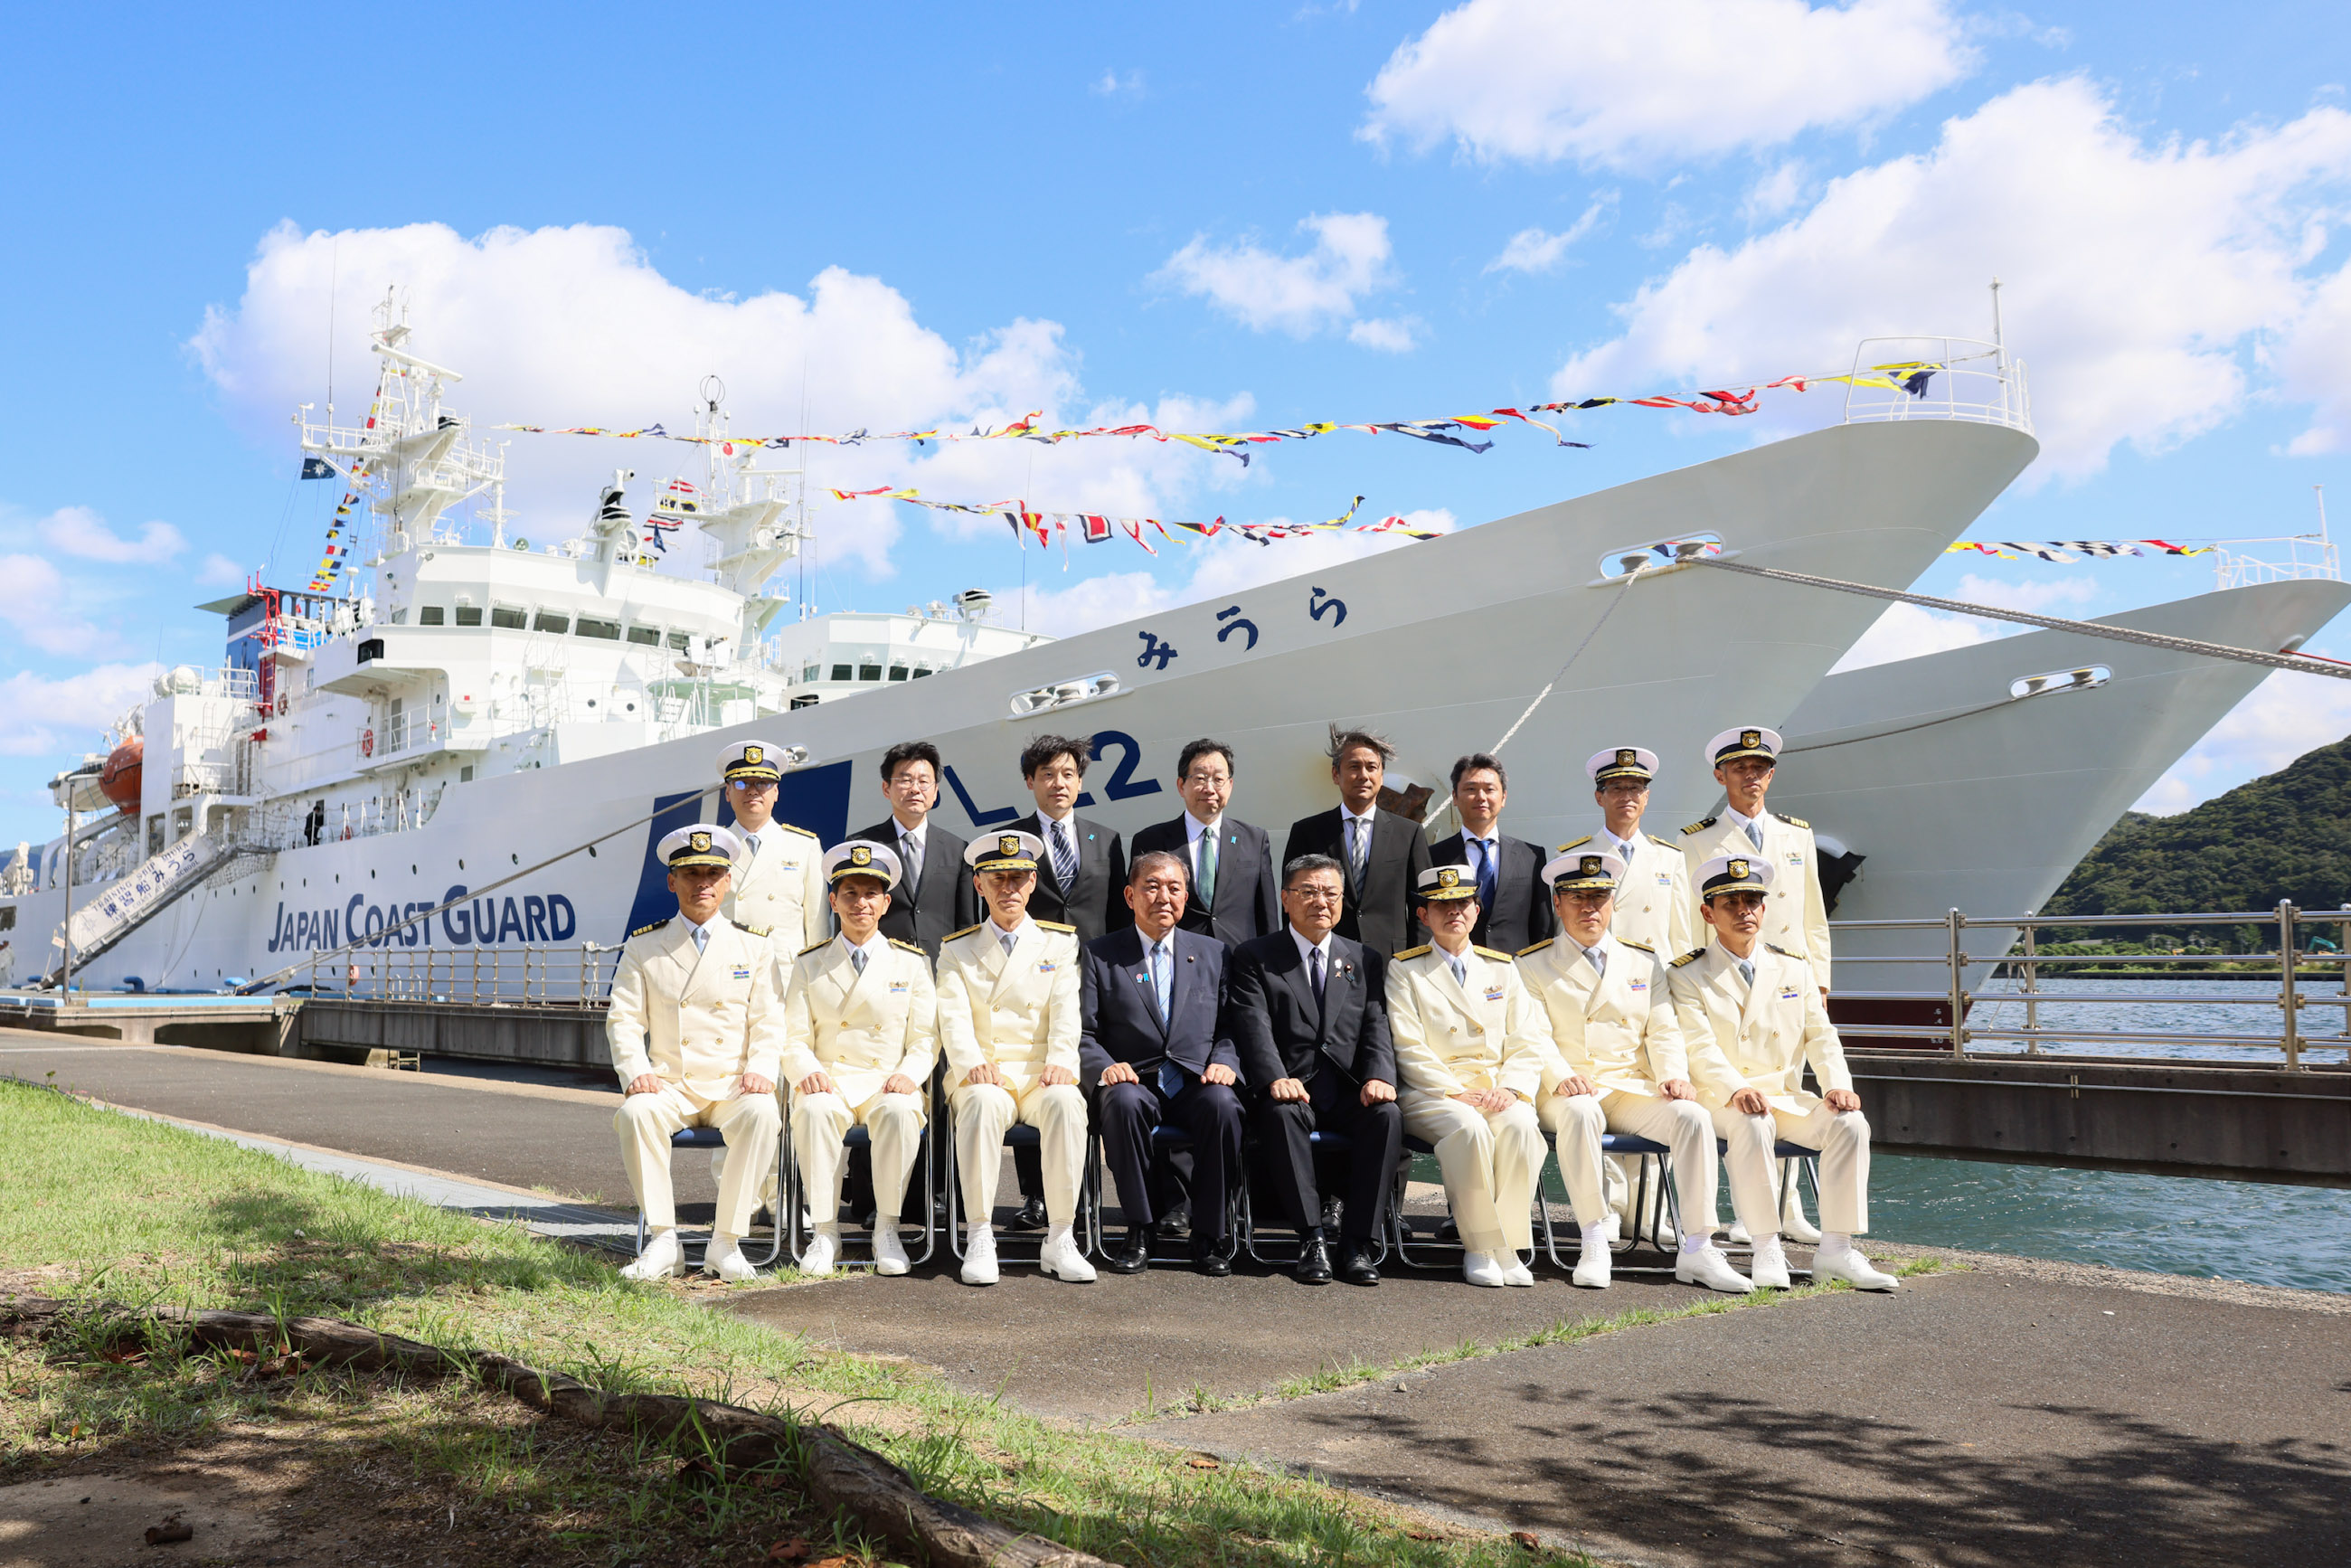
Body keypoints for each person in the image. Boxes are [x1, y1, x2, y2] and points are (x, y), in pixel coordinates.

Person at [1516, 849, 1751, 1293]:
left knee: (1692, 1115)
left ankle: (1699, 1245)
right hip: (1565, 1090)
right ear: (1557, 904)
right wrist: (1561, 1075)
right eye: (1578, 898)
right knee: (1583, 1112)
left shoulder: (1644, 962)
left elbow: (1662, 1029)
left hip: (1626, 1085)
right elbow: (1532, 1035)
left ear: (1612, 903)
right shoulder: (1531, 964)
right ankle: (1593, 1236)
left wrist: (1672, 1075)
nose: (1590, 907)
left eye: (1600, 897)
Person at [1670, 855, 1900, 1292]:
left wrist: (1836, 1085)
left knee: (1850, 1123)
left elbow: (1820, 1034)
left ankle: (1836, 1248)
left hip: (1784, 1094)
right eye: (1731, 903)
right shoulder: (1687, 974)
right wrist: (1736, 1088)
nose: (1744, 911)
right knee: (1753, 1121)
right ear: (1707, 913)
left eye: (1753, 901)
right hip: (1721, 1099)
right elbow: (1697, 1047)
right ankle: (1765, 1245)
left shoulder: (1793, 966)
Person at [607, 825, 783, 1283]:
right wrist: (635, 1071)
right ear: (672, 881)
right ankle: (664, 1240)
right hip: (671, 1081)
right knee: (635, 1114)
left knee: (764, 1113)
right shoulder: (645, 946)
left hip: (733, 1082)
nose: (702, 882)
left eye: (713, 873)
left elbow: (769, 1019)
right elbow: (624, 1019)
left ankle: (726, 1242)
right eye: (690, 873)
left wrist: (762, 1068)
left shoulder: (755, 945)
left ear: (727, 882)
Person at [1225, 855, 1402, 1286]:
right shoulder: (1256, 956)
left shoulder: (1364, 958)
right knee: (1281, 1114)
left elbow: (1376, 1023)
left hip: (1346, 1090)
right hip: (1290, 1087)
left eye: (1330, 893)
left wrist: (1380, 1075)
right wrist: (1273, 1077)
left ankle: (1359, 1242)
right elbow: (1253, 1026)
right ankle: (1311, 1238)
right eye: (1307, 891)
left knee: (1387, 1115)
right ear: (1286, 899)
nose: (1319, 901)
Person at [933, 831, 1093, 1286]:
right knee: (981, 1102)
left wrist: (1062, 1061)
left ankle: (1061, 1236)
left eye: (1018, 878)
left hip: (1041, 1069)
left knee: (1066, 1102)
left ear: (1032, 883)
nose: (1008, 888)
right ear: (979, 886)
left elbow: (1067, 1010)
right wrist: (968, 1064)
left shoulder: (1058, 944)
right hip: (986, 1069)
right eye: (997, 878)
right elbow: (953, 1017)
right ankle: (981, 1233)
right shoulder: (955, 949)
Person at [1078, 851, 1244, 1276]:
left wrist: (1225, 1060)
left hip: (1196, 1079)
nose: (1163, 897)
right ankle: (1140, 1227)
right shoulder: (1100, 955)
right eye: (1152, 887)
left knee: (1224, 1107)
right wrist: (1104, 1066)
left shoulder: (1215, 953)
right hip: (1134, 1078)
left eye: (1173, 888)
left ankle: (1209, 1234)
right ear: (1130, 896)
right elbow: (1082, 1032)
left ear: (1186, 897)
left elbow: (1231, 1026)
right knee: (1122, 1102)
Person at [1385, 864, 1552, 1288]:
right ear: (1423, 916)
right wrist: (1456, 1091)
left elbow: (1526, 1039)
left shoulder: (1503, 969)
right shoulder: (1404, 971)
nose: (1453, 912)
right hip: (1433, 1092)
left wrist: (1512, 1089)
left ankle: (1509, 1246)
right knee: (1469, 1130)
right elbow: (1408, 1046)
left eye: (1462, 903)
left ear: (1477, 910)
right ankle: (1479, 1246)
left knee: (1522, 1128)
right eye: (1441, 905)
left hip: (1496, 1090)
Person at [777, 841, 935, 1279]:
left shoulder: (912, 963)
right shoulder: (809, 964)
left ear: (885, 903)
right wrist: (808, 1072)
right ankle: (825, 1231)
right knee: (812, 1109)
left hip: (888, 1080)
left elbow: (925, 1038)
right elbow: (792, 1036)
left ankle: (887, 1227)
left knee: (904, 1112)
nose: (860, 903)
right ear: (833, 900)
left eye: (870, 894)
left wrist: (908, 1075)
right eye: (850, 893)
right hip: (831, 1078)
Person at [1006, 732, 1129, 1230]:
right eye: (1048, 774)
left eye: (1069, 774)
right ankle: (1037, 1197)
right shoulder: (1011, 840)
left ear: (1081, 781)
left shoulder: (1107, 838)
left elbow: (1121, 919)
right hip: (1032, 981)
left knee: (1092, 1083)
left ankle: (1087, 1191)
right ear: (1030, 781)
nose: (1059, 783)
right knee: (1039, 1075)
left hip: (1096, 980)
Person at [1680, 727, 1830, 996]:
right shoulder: (1695, 840)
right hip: (1726, 973)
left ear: (1770, 775)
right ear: (1720, 776)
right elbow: (1691, 918)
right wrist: (1693, 980)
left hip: (1792, 971)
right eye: (1739, 767)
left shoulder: (1798, 834)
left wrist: (1820, 984)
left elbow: (1814, 916)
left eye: (1760, 767)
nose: (1751, 774)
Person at [1284, 727, 1431, 960]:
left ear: (1381, 776)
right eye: (1354, 767)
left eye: (1372, 767)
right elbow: (1292, 903)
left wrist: (1416, 961)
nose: (1363, 775)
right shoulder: (1307, 832)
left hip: (1391, 962)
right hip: (1325, 958)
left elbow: (1422, 907)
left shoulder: (1409, 833)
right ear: (1336, 775)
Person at [1130, 739, 1280, 947]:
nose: (1209, 788)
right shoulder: (1150, 841)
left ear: (1230, 785)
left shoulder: (1254, 839)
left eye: (1218, 779)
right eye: (1200, 778)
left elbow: (1267, 915)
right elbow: (1137, 911)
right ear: (1181, 786)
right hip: (1175, 959)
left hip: (1239, 962)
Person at [847, 741, 978, 959]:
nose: (915, 789)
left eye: (924, 781)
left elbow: (967, 923)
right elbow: (847, 915)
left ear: (935, 791)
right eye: (905, 780)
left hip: (942, 969)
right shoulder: (863, 845)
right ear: (886, 788)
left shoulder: (957, 849)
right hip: (882, 966)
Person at [1563, 746, 1692, 959]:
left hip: (1653, 975)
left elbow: (1680, 936)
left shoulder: (1670, 858)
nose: (1627, 796)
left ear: (1646, 797)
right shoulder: (1574, 857)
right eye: (1616, 788)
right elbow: (1564, 930)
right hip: (1600, 971)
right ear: (1599, 797)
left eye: (1635, 788)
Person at [1428, 751, 1554, 955]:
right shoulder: (1433, 856)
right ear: (1455, 797)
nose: (1481, 797)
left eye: (1490, 789)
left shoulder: (1531, 856)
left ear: (1503, 797)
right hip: (1455, 969)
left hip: (1516, 972)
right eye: (1471, 789)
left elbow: (1542, 925)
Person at [715, 739, 830, 959]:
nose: (752, 791)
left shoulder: (805, 846)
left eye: (763, 783)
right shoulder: (715, 846)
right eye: (741, 783)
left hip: (784, 973)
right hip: (728, 966)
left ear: (776, 792)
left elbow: (817, 925)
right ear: (727, 793)